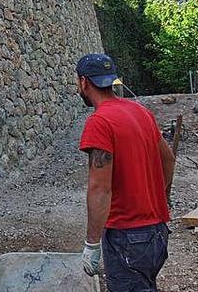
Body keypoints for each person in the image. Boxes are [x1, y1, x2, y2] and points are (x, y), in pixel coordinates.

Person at [76, 53, 175, 291]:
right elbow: (169, 160)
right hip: (157, 232)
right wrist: (158, 197)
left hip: (127, 238)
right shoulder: (140, 112)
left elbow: (100, 188)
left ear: (83, 82)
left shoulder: (99, 122)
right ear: (112, 81)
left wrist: (92, 244)